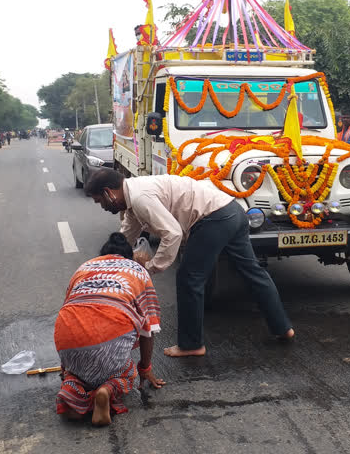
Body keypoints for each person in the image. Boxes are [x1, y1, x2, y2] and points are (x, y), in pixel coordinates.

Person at [84, 168, 294, 358]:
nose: (101, 206)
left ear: (108, 193)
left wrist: (151, 267)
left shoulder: (140, 197)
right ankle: (283, 327)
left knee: (189, 279)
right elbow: (128, 234)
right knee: (252, 272)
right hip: (232, 211)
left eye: (98, 201)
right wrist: (109, 263)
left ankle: (191, 344)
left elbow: (172, 233)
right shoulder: (134, 198)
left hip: (214, 218)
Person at [54, 232, 165, 426]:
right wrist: (145, 369)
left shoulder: (84, 267)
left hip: (67, 340)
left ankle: (73, 393)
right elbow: (149, 328)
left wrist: (67, 368)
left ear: (103, 255)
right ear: (128, 256)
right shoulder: (138, 271)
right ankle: (107, 389)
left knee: (77, 374)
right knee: (127, 372)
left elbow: (70, 315)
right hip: (109, 340)